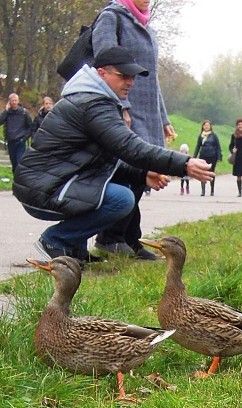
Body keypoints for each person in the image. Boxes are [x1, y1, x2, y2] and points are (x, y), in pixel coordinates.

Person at [12, 46, 212, 263]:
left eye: (133, 77)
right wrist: (184, 163)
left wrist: (141, 174)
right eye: (123, 75)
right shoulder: (92, 104)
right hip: (45, 188)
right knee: (121, 198)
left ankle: (74, 249)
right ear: (101, 73)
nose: (130, 82)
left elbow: (103, 160)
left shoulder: (94, 100)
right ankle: (56, 240)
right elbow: (131, 148)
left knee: (123, 185)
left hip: (53, 182)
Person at [91, 0, 176, 260]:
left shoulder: (147, 26)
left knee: (142, 173)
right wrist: (122, 105)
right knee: (129, 171)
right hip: (125, 106)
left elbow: (153, 79)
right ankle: (112, 237)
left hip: (148, 111)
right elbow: (105, 65)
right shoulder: (112, 17)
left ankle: (129, 236)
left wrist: (163, 117)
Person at [0, 93, 32, 172]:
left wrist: (24, 138)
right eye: (12, 100)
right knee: (14, 163)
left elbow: (30, 126)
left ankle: (20, 180)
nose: (14, 102)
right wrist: (6, 110)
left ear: (18, 101)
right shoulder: (7, 113)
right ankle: (16, 180)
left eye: (15, 100)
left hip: (20, 141)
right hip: (11, 141)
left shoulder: (24, 112)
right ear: (9, 102)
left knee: (19, 163)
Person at [193, 120, 221, 196]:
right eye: (205, 125)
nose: (206, 127)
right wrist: (194, 157)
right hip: (203, 156)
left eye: (208, 125)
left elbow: (218, 147)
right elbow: (198, 146)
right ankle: (203, 191)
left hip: (212, 156)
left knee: (211, 173)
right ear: (203, 126)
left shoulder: (214, 136)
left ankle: (212, 190)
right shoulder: (201, 136)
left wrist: (219, 157)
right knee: (202, 173)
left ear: (210, 126)